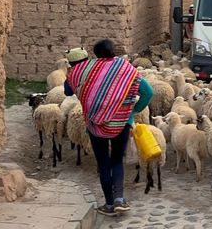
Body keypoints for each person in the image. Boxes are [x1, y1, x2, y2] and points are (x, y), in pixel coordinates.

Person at [64, 40, 154, 217]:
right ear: (114, 51)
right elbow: (148, 93)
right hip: (122, 123)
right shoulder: (126, 68)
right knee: (117, 161)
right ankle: (120, 199)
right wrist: (133, 110)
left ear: (95, 54)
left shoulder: (81, 71)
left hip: (96, 124)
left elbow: (67, 91)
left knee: (104, 164)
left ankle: (109, 203)